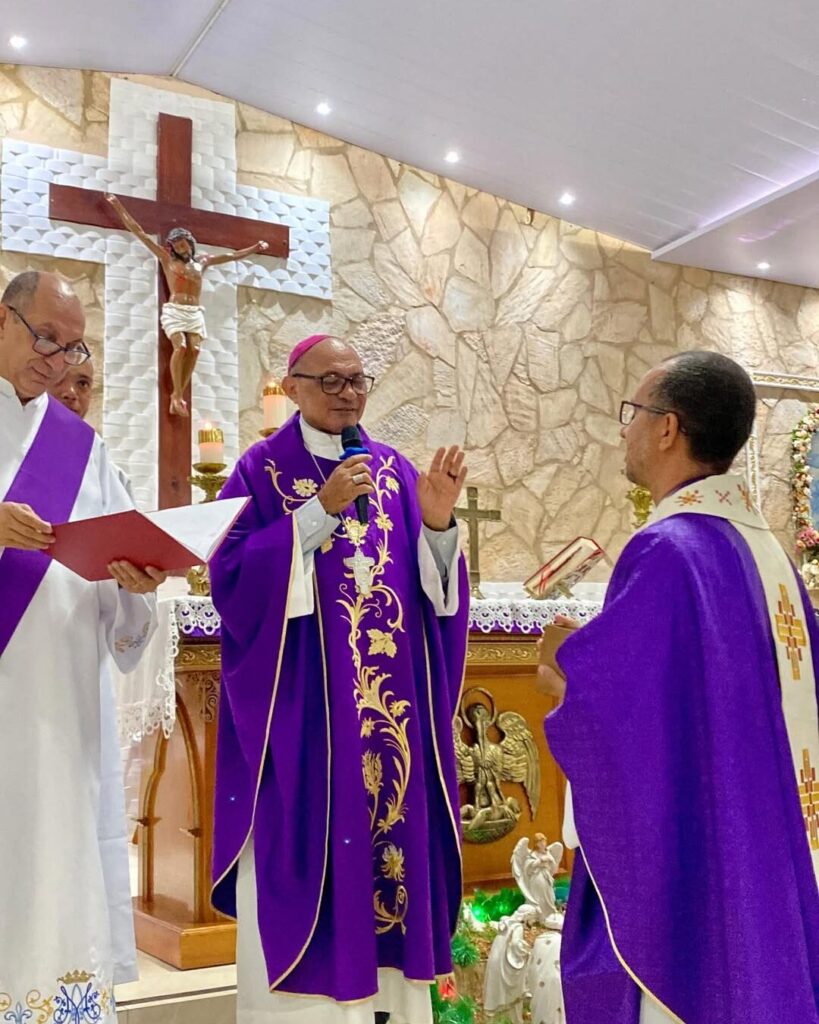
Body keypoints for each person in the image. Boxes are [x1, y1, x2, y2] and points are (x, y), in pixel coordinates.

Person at [537, 351, 819, 1023]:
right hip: (771, 851)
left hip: (699, 868)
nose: (624, 429)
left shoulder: (668, 548)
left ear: (667, 428)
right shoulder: (771, 555)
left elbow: (625, 723)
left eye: (632, 414)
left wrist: (564, 675)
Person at [209, 334, 470, 1024]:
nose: (347, 393)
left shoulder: (394, 470)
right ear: (292, 387)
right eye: (330, 381)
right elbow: (229, 578)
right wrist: (317, 513)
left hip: (391, 725)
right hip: (306, 721)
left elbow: (436, 599)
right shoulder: (260, 471)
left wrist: (438, 524)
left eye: (357, 380)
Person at [0, 271, 166, 1015]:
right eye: (46, 338)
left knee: (51, 868)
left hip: (61, 711)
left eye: (74, 348)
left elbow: (121, 595)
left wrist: (136, 582)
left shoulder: (83, 451)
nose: (59, 361)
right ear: (2, 321)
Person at [105, 194, 269, 416]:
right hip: (175, 310)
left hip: (194, 312)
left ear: (190, 244)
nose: (181, 248)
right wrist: (117, 205)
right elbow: (138, 231)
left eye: (183, 244)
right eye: (177, 245)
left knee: (195, 349)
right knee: (180, 347)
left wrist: (255, 248)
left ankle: (178, 394)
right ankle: (176, 395)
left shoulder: (203, 262)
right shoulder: (167, 259)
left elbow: (231, 256)